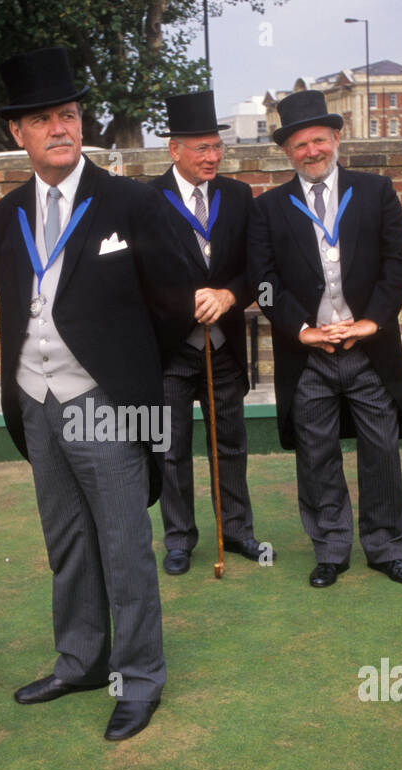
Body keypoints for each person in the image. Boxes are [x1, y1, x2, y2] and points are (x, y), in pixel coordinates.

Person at [0, 47, 194, 740]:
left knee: (125, 542)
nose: (60, 127)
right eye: (43, 119)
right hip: (36, 400)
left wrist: (135, 383)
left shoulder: (132, 201)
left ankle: (139, 679)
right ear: (18, 133)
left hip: (106, 401)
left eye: (68, 114)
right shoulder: (5, 215)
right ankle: (79, 658)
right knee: (68, 541)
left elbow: (176, 304)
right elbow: (15, 308)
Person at [247, 90, 402, 589]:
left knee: (381, 450)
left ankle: (386, 548)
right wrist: (303, 329)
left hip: (369, 352)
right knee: (316, 452)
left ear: (336, 139)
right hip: (309, 356)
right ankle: (331, 549)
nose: (311, 151)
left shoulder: (376, 190)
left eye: (319, 140)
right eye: (299, 145)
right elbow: (263, 281)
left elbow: (398, 263)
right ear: (287, 151)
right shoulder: (269, 208)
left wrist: (372, 321)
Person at [150, 90, 269, 576]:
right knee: (172, 448)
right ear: (174, 149)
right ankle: (179, 538)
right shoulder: (146, 200)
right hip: (170, 352)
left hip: (223, 350)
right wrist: (186, 304)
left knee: (231, 445)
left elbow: (255, 269)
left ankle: (237, 529)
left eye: (216, 146)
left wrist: (228, 296)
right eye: (201, 148)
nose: (212, 156)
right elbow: (140, 279)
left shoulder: (238, 197)